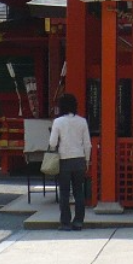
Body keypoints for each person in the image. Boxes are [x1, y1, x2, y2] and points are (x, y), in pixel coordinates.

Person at [49, 93, 91, 230]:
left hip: (64, 159)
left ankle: (65, 222)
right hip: (79, 159)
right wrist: (87, 160)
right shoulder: (82, 121)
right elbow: (87, 144)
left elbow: (52, 142)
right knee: (79, 191)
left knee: (64, 193)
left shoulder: (58, 122)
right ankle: (78, 221)